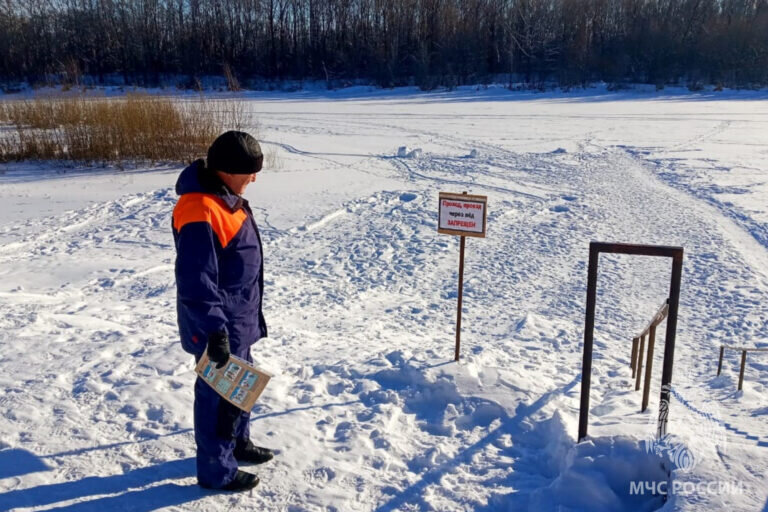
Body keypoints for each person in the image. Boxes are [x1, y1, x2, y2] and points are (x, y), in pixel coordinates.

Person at [172, 131, 273, 492]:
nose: (254, 179)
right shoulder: (200, 208)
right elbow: (195, 279)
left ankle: (237, 444)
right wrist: (215, 329)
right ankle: (217, 471)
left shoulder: (225, 198)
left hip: (237, 318)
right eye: (249, 171)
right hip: (218, 324)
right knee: (217, 398)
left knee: (239, 387)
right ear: (228, 170)